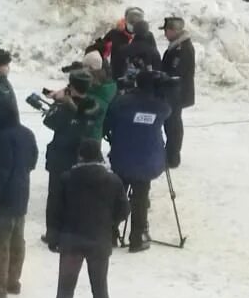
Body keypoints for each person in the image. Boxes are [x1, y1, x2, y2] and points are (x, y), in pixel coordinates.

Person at [42, 140, 129, 298]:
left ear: (80, 156)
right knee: (100, 288)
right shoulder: (113, 180)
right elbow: (124, 210)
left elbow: (53, 210)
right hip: (99, 241)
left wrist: (54, 237)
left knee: (65, 288)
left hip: (72, 241)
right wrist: (109, 224)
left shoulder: (66, 179)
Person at [104, 72, 172, 251]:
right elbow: (169, 111)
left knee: (118, 195)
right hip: (148, 161)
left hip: (122, 158)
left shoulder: (121, 103)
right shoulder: (160, 106)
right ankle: (138, 236)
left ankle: (109, 232)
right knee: (140, 197)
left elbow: (108, 123)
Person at [0, 101, 37, 298]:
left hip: (4, 196)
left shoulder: (1, 138)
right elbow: (33, 160)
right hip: (21, 192)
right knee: (17, 239)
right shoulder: (27, 134)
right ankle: (13, 280)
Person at [40, 73, 102, 244]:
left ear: (72, 87)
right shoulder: (93, 104)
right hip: (82, 157)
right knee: (77, 198)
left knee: (55, 198)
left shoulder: (65, 108)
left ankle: (53, 234)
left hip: (61, 157)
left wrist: (61, 102)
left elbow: (49, 121)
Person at [160, 16, 196, 169]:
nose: (165, 34)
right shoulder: (176, 46)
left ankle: (172, 157)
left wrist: (161, 78)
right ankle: (171, 154)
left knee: (173, 125)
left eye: (167, 30)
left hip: (177, 92)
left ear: (174, 31)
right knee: (171, 123)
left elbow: (174, 72)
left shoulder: (182, 49)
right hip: (174, 92)